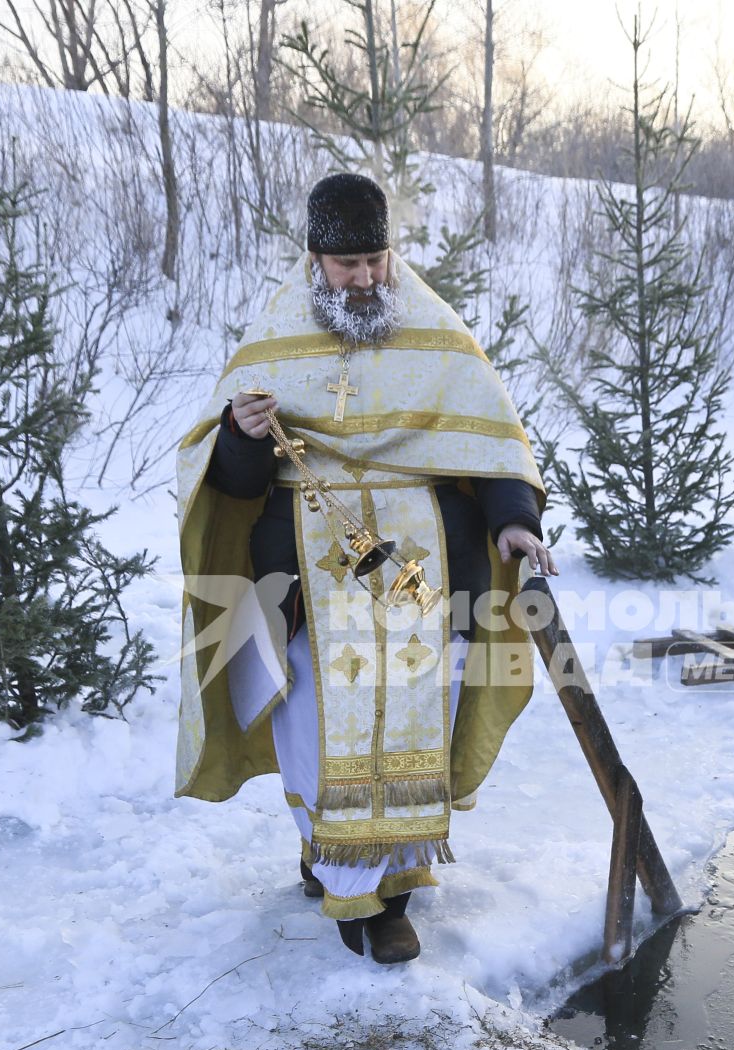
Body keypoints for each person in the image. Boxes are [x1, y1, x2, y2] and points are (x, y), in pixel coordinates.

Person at [173, 172, 556, 964]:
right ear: (315, 258)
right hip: (307, 581)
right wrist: (242, 436)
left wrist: (515, 522)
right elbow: (235, 485)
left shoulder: (434, 329)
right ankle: (337, 868)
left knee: (418, 718)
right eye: (348, 266)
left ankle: (395, 894)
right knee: (318, 726)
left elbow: (489, 439)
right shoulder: (274, 338)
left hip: (423, 575)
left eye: (377, 261)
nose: (367, 279)